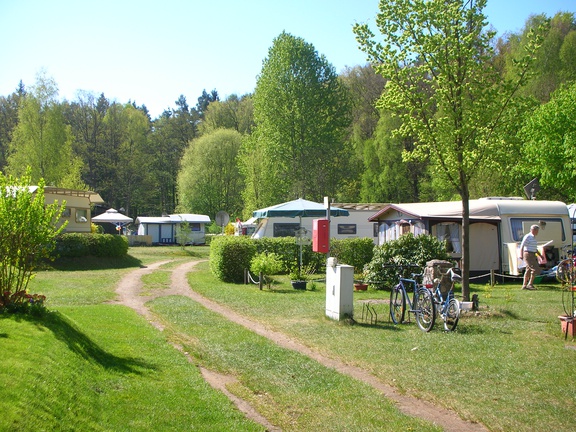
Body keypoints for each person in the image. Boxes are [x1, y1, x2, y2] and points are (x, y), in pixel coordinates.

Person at [520, 224, 541, 290]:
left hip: (533, 254)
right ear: (533, 230)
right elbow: (522, 246)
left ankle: (524, 285)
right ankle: (530, 284)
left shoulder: (533, 238)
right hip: (528, 254)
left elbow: (534, 248)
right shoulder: (528, 236)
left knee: (528, 270)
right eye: (537, 230)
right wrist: (521, 254)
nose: (537, 232)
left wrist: (540, 255)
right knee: (534, 269)